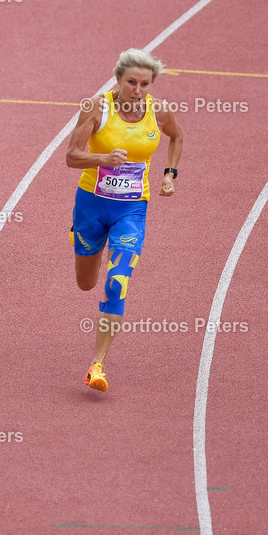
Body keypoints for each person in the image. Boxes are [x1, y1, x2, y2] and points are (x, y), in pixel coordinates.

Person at [66, 48, 183, 390]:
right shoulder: (96, 108)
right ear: (118, 79)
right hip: (91, 206)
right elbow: (71, 157)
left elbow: (177, 136)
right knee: (85, 283)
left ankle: (96, 365)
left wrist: (169, 175)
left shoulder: (158, 111)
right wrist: (104, 159)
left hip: (131, 210)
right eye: (131, 82)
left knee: (117, 281)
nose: (138, 90)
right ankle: (81, 237)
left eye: (145, 84)